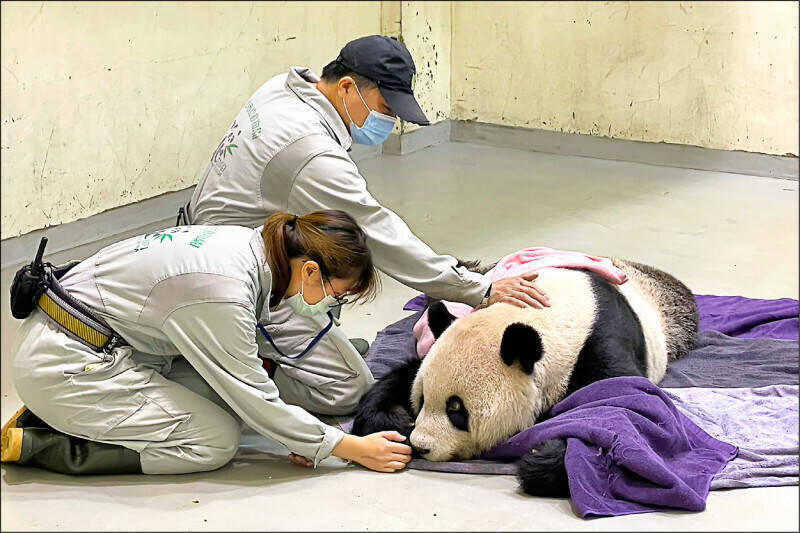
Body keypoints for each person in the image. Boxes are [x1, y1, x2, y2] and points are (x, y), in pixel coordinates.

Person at [1, 211, 411, 475]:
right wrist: (347, 447)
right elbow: (254, 398)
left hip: (109, 345)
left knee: (233, 403)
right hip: (68, 366)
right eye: (335, 295)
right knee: (214, 440)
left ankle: (87, 417)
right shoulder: (224, 293)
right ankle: (48, 440)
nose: (330, 304)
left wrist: (303, 435)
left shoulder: (250, 246)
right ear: (308, 271)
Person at [179, 34, 550, 317]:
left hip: (201, 236)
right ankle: (270, 350)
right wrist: (478, 290)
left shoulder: (282, 88)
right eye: (386, 108)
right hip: (223, 280)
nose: (389, 122)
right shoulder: (310, 152)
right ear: (346, 87)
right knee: (347, 385)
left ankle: (302, 344)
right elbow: (376, 232)